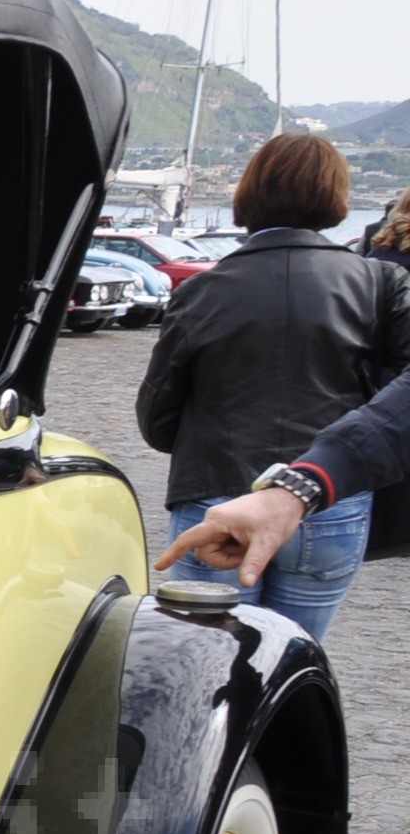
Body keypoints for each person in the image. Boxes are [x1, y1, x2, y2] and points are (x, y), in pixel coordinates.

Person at [134, 133, 410, 639]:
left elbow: (157, 420)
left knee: (208, 665)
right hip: (330, 500)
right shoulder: (380, 283)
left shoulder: (200, 290)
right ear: (336, 194)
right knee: (294, 663)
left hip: (217, 495)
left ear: (249, 192)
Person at [163, 363, 410, 585]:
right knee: (297, 634)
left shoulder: (200, 309)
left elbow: (160, 409)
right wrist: (301, 486)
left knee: (216, 630)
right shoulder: (375, 309)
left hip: (216, 484)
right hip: (328, 504)